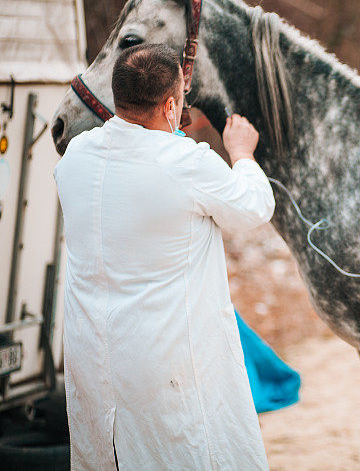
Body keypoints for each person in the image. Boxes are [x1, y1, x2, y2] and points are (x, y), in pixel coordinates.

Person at [55, 43, 274, 470]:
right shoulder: (189, 164)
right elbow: (253, 209)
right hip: (166, 370)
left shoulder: (75, 158)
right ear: (171, 105)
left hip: (93, 365)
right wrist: (243, 153)